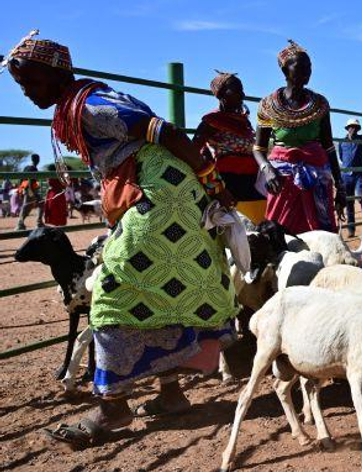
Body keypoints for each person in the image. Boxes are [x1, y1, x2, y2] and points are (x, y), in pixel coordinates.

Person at [3, 32, 238, 447]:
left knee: (113, 288)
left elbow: (162, 130)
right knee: (162, 286)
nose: (27, 93)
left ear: (58, 73)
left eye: (32, 82)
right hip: (158, 193)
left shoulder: (92, 105)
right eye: (21, 86)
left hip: (161, 196)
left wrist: (211, 178)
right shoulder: (81, 102)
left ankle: (112, 408)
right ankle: (171, 395)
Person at [253, 40, 345, 234]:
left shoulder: (320, 104)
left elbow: (329, 147)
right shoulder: (267, 106)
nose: (307, 71)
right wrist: (267, 170)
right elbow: (259, 149)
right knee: (279, 232)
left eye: (309, 67)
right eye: (301, 66)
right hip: (282, 179)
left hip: (316, 177)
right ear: (286, 71)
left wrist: (340, 185)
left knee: (321, 233)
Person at [193, 71, 267, 224]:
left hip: (251, 180)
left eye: (242, 90)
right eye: (236, 91)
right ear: (221, 95)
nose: (242, 95)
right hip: (228, 182)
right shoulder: (212, 121)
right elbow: (194, 150)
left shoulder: (243, 121)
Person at [339, 118, 362, 237]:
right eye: (351, 127)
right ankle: (351, 229)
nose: (353, 129)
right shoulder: (342, 142)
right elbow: (341, 157)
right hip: (346, 176)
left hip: (359, 174)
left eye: (356, 127)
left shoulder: (361, 139)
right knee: (349, 202)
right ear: (347, 128)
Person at [15, 153, 44, 231]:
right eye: (38, 159)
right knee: (27, 207)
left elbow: (20, 179)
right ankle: (20, 224)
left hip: (27, 189)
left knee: (40, 203)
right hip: (30, 189)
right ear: (37, 160)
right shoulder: (33, 168)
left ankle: (39, 222)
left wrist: (20, 190)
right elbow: (30, 180)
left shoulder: (26, 167)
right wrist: (31, 192)